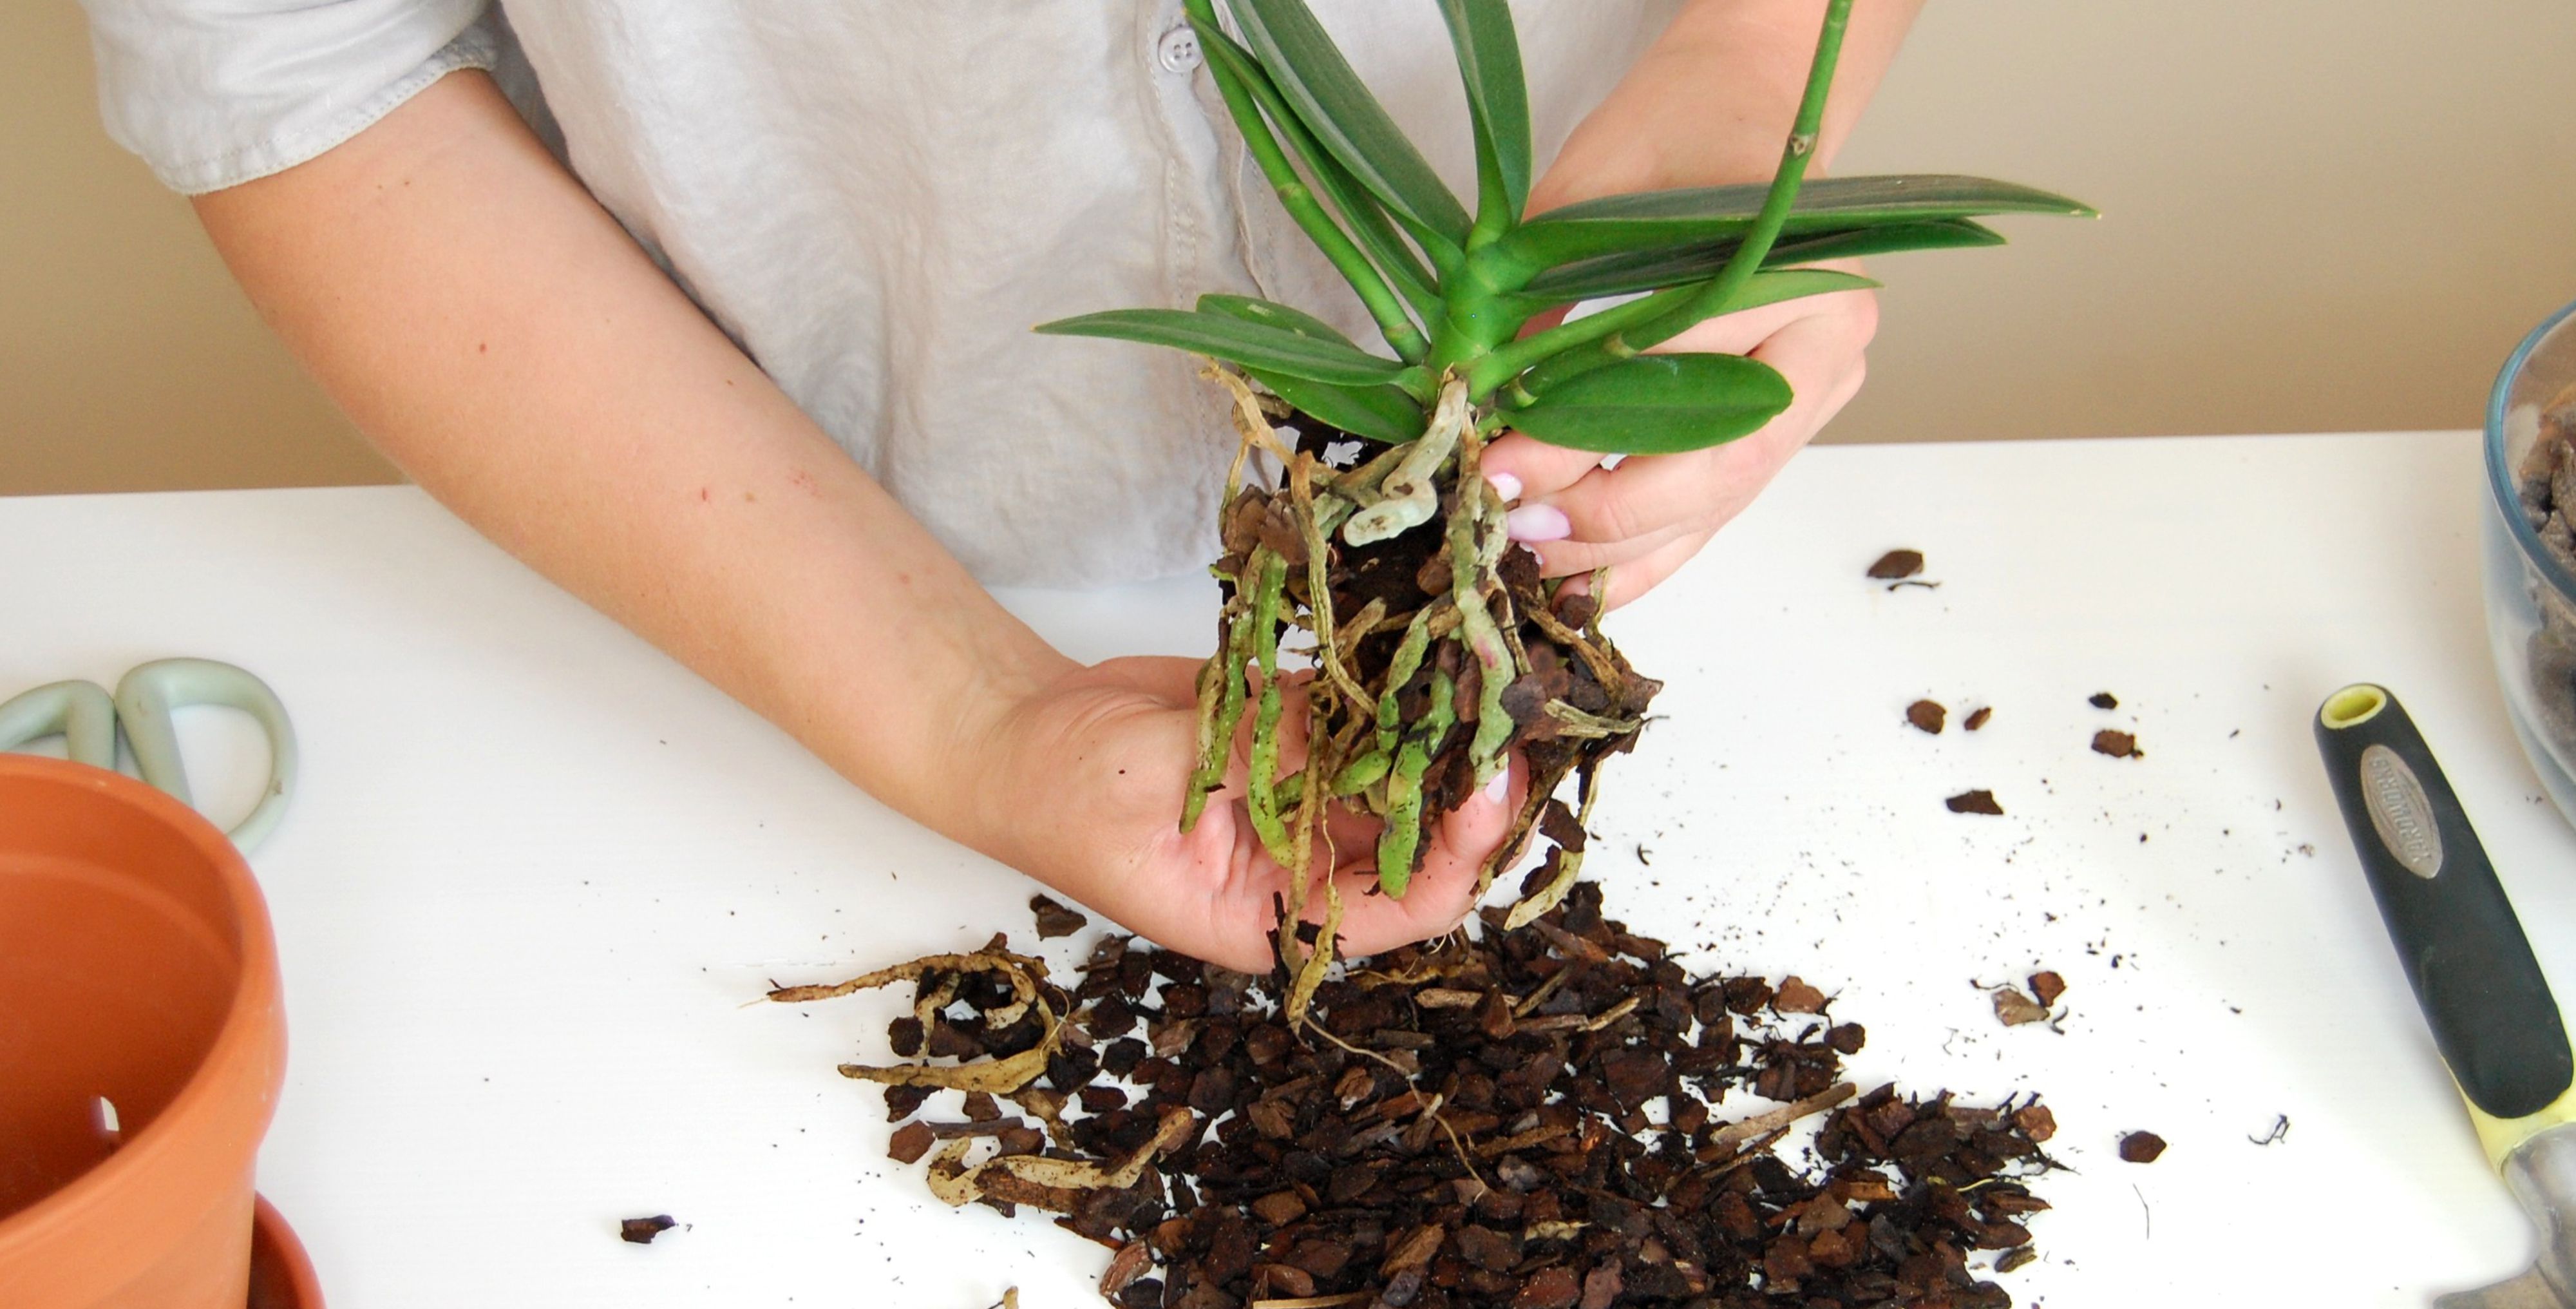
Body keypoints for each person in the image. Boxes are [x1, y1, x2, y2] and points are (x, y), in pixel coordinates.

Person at [79, 0, 1911, 969]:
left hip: (1608, 492)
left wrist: (1743, 84)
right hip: (775, 561)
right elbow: (301, 61)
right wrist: (972, 709)